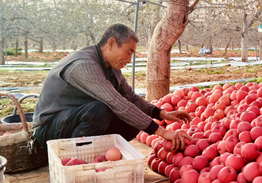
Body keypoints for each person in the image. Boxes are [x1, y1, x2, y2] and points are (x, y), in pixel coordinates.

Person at [32, 23, 191, 151]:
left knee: (131, 121)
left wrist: (163, 114)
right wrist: (162, 132)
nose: (129, 59)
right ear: (112, 43)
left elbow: (131, 98)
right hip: (49, 129)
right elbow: (115, 102)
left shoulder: (111, 68)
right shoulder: (84, 65)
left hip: (74, 121)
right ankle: (77, 158)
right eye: (129, 52)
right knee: (100, 110)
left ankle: (101, 153)